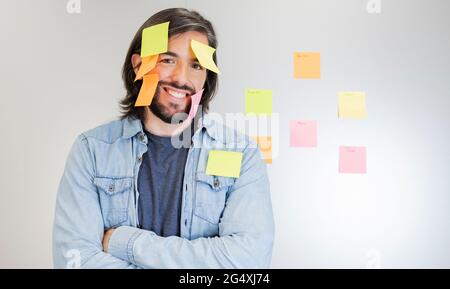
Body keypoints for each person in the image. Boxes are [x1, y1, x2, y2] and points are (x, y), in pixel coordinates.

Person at [53, 7, 274, 269]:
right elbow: (76, 262)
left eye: (196, 65)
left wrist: (128, 243)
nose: (182, 77)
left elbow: (247, 262)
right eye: (168, 60)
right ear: (138, 65)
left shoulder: (241, 153)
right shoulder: (92, 151)